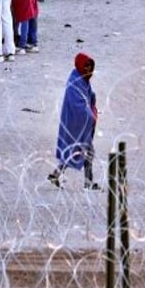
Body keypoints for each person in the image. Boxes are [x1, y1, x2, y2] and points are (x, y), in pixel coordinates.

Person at [47, 53, 99, 190]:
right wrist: (91, 116)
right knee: (86, 151)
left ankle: (56, 174)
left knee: (75, 150)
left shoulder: (82, 79)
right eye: (86, 66)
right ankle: (88, 183)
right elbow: (78, 105)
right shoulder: (75, 81)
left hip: (79, 123)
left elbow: (88, 96)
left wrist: (92, 102)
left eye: (90, 66)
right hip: (75, 122)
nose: (89, 69)